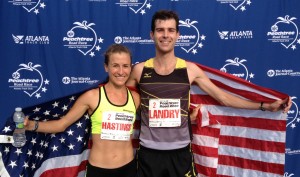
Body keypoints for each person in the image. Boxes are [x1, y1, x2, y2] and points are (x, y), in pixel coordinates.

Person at [126, 10, 292, 177]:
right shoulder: (139, 71)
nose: (165, 35)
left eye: (171, 30)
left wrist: (265, 106)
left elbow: (223, 98)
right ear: (151, 35)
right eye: (160, 30)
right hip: (148, 153)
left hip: (181, 154)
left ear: (178, 35)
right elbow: (118, 99)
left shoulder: (190, 70)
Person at [24, 44, 140, 177]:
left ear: (131, 68)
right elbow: (61, 124)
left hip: (128, 169)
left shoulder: (135, 99)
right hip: (99, 171)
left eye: (125, 66)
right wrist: (31, 125)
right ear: (106, 67)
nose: (121, 71)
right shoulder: (92, 97)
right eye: (115, 65)